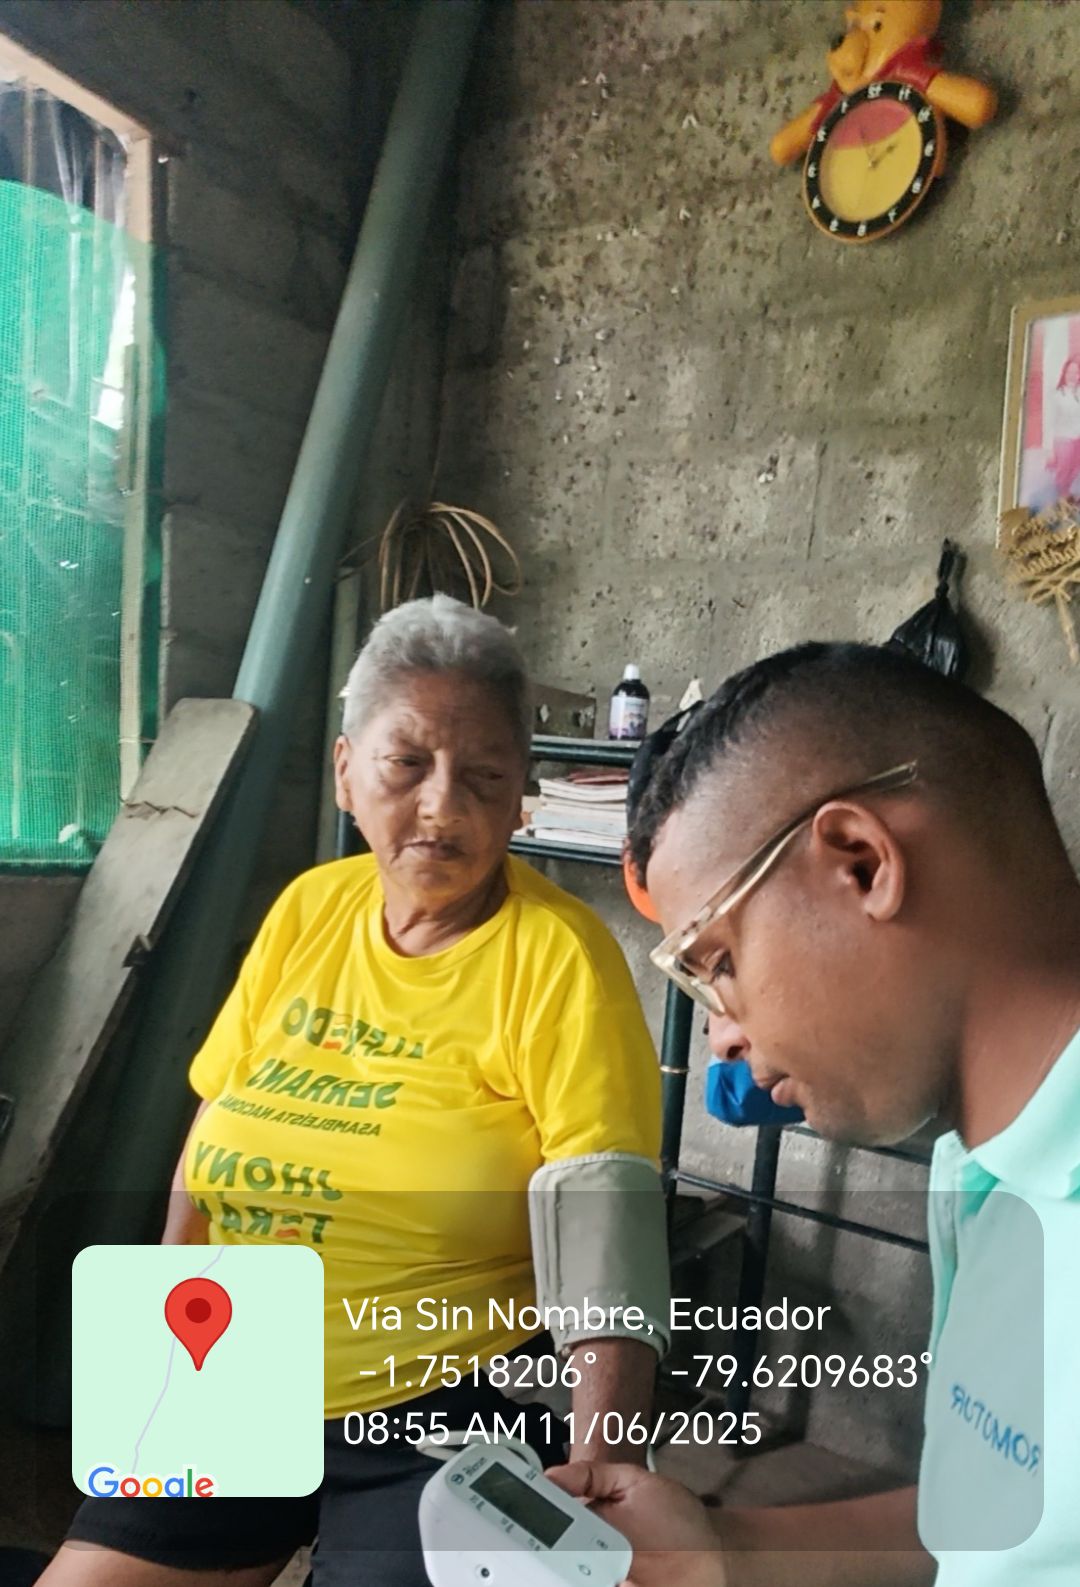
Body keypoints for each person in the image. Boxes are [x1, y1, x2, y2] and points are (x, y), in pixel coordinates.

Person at [47, 595, 665, 1587]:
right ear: (346, 770)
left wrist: (603, 1468)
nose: (443, 807)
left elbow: (609, 1229)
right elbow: (213, 1125)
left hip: (445, 1404)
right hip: (234, 1362)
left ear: (521, 797)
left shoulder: (560, 958)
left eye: (486, 777)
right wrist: (169, 1354)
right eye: (407, 763)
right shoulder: (310, 910)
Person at [551, 641, 1080, 1585]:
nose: (721, 1037)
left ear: (861, 863)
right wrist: (717, 1553)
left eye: (717, 963)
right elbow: (989, 1523)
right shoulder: (981, 1161)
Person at [1049, 355, 1080, 498]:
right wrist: (1051, 450)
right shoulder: (1058, 395)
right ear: (1064, 374)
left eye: (1076, 372)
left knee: (1075, 469)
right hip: (1063, 440)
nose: (1072, 376)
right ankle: (1061, 497)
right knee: (1063, 472)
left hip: (1078, 439)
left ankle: (1065, 492)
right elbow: (1051, 423)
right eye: (1069, 372)